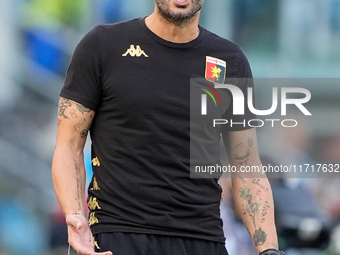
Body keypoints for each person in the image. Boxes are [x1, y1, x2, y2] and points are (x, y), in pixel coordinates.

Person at [51, 1, 284, 255]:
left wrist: (269, 249)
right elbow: (69, 145)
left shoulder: (231, 61)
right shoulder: (103, 46)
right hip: (116, 237)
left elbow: (246, 165)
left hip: (202, 240)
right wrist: (76, 216)